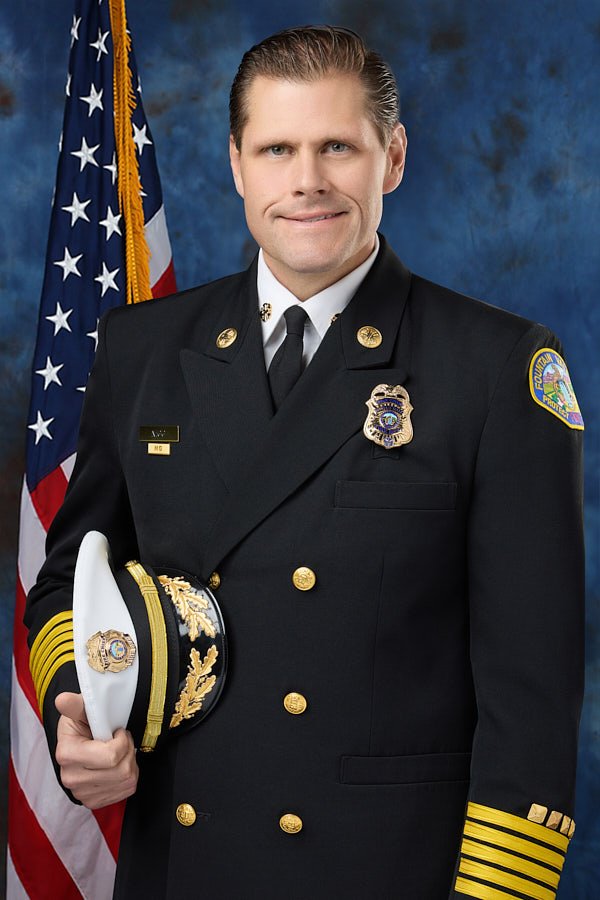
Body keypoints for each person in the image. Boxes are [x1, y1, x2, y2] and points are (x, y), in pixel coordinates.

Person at [25, 25, 585, 899]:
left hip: (389, 871)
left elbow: (533, 692)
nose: (307, 182)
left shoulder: (494, 369)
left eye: (338, 147)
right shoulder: (142, 350)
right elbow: (67, 580)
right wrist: (82, 710)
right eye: (277, 148)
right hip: (187, 864)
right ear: (238, 165)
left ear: (391, 159)